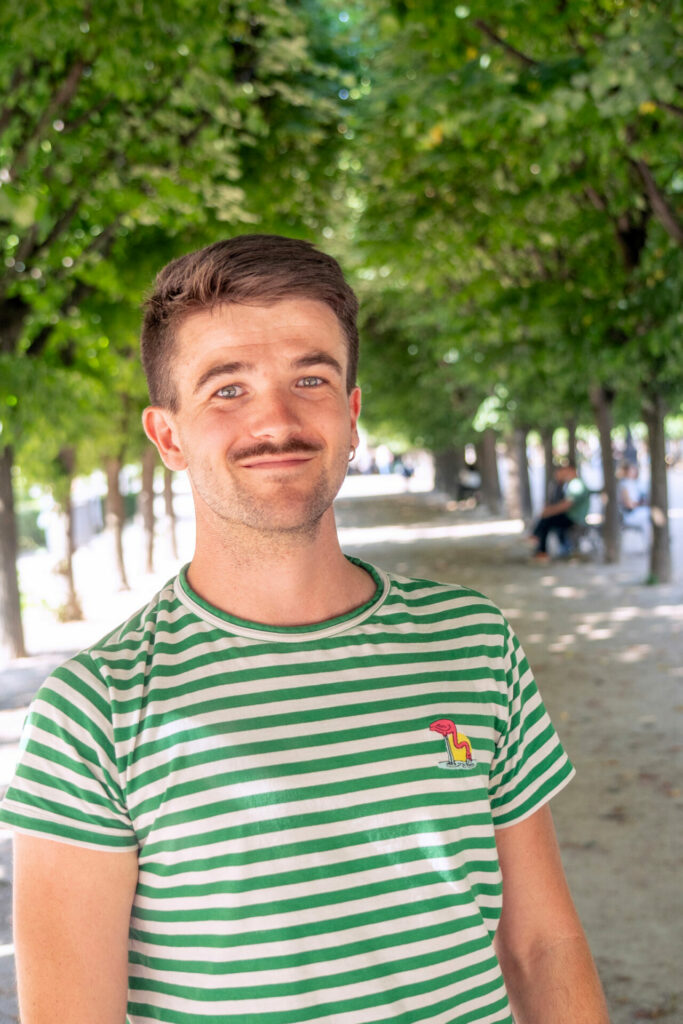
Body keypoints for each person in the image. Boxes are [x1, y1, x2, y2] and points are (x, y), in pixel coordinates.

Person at [2, 235, 609, 1024]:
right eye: (227, 390)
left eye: (310, 378)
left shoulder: (474, 644)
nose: (277, 420)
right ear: (168, 436)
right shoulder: (94, 713)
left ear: (351, 415)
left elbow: (539, 946)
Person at [531, 460, 590, 561]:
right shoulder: (570, 484)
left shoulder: (576, 485)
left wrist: (549, 511)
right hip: (570, 516)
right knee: (547, 519)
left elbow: (566, 505)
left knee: (547, 520)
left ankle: (539, 546)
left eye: (564, 471)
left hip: (574, 518)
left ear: (571, 470)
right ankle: (538, 542)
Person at [618, 461, 650, 532]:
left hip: (636, 510)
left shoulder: (634, 483)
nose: (634, 472)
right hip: (630, 514)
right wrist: (639, 504)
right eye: (631, 470)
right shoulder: (624, 485)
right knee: (649, 516)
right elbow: (629, 505)